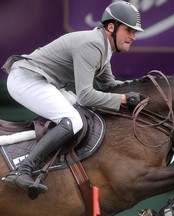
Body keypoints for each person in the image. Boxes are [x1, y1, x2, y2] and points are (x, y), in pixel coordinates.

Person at [1, 1, 145, 199]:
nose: (133, 36)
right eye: (129, 30)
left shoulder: (104, 47)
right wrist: (122, 99)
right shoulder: (93, 44)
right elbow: (86, 96)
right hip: (26, 80)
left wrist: (141, 86)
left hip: (44, 82)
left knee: (81, 114)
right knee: (74, 120)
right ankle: (21, 170)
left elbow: (110, 86)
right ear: (111, 27)